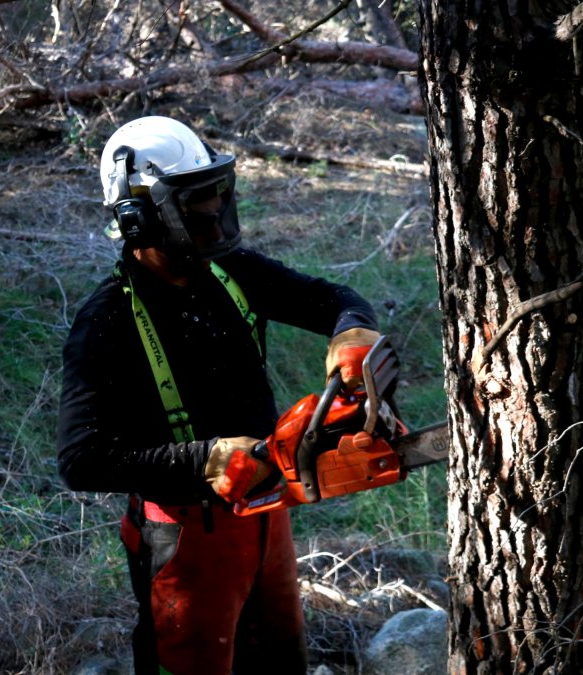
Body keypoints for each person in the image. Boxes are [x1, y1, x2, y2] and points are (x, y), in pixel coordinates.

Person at [56, 116, 380, 675]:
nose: (212, 214)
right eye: (195, 204)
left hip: (266, 517)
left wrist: (352, 331)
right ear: (138, 217)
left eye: (214, 196)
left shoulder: (231, 272)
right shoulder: (105, 322)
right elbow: (81, 459)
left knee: (280, 663)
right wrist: (203, 459)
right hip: (184, 539)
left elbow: (332, 299)